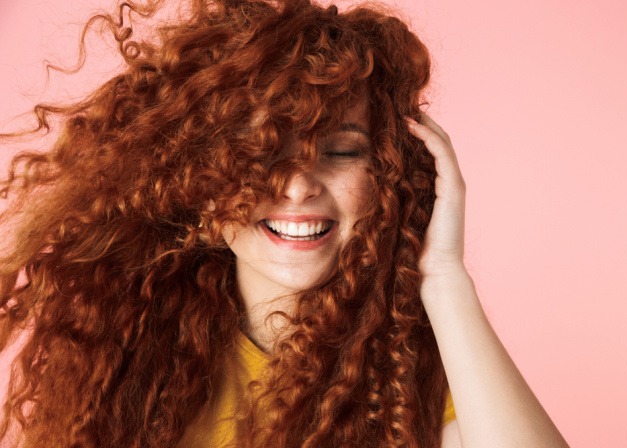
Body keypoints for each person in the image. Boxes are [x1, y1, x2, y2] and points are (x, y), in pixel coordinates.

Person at [0, 0, 571, 447]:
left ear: (390, 177)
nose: (297, 184)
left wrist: (444, 275)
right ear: (198, 181)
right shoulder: (119, 354)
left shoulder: (428, 372)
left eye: (341, 152)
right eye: (261, 154)